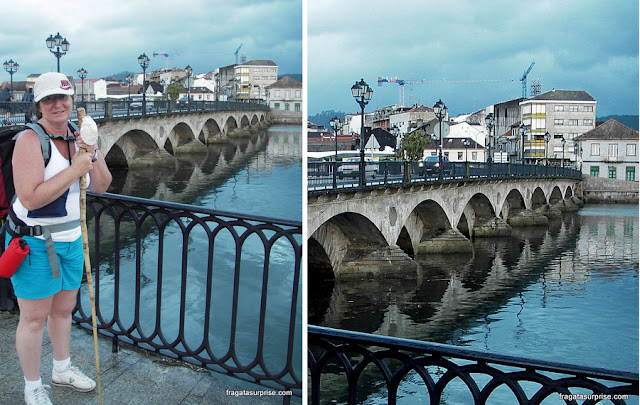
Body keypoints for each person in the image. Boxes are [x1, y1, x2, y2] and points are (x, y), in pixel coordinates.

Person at [6, 72, 112, 405]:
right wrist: (76, 167)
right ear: (38, 105)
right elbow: (30, 199)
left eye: (63, 97)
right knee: (34, 317)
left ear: (72, 101)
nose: (58, 104)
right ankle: (33, 385)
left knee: (63, 311)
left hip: (72, 239)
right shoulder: (29, 141)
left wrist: (91, 153)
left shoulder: (80, 136)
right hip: (36, 242)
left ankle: (61, 369)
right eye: (49, 99)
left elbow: (101, 186)